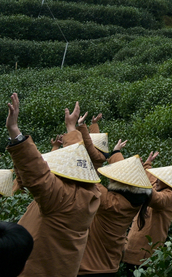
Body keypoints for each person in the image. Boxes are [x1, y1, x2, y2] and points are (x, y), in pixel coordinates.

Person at [5, 96, 102, 277]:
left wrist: (15, 133)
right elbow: (78, 158)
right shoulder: (92, 192)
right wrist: (71, 128)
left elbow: (37, 175)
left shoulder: (60, 198)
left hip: (34, 270)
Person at [78, 139, 154, 277]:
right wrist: (116, 152)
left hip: (90, 267)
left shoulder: (109, 202)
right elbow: (125, 175)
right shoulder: (132, 201)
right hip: (110, 265)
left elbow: (87, 174)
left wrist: (74, 134)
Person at [122, 156, 172, 273]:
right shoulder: (159, 186)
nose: (157, 181)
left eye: (160, 179)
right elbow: (150, 179)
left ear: (169, 183)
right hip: (131, 246)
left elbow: (157, 198)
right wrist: (146, 165)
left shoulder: (171, 195)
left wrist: (138, 179)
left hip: (144, 255)